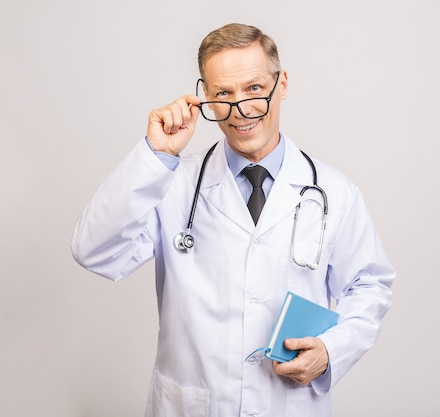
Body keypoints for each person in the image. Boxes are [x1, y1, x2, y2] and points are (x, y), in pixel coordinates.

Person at [71, 22, 394, 417]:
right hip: (192, 405)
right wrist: (155, 157)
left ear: (283, 84)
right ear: (205, 95)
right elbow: (94, 251)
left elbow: (370, 286)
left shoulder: (334, 191)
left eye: (254, 89)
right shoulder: (170, 183)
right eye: (223, 93)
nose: (240, 109)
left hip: (287, 403)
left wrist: (331, 350)